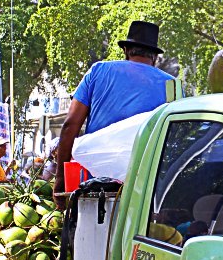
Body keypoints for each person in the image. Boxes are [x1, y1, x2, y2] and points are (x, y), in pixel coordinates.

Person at [55, 21, 173, 192]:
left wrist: (60, 179)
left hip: (94, 186)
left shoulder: (98, 71)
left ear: (125, 51)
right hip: (144, 190)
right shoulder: (171, 84)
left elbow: (70, 125)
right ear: (154, 57)